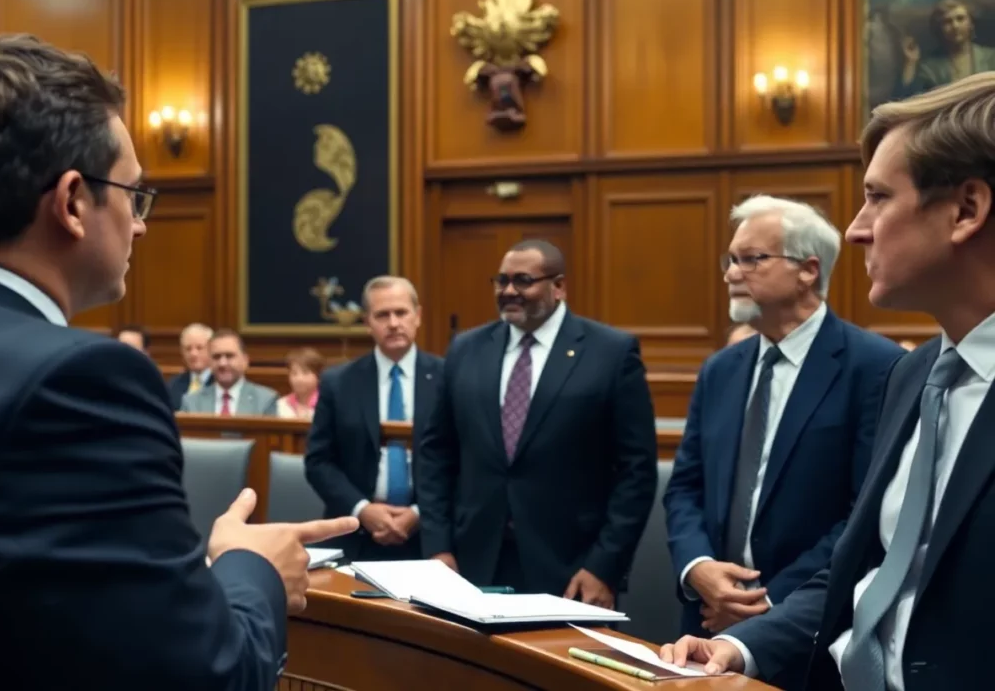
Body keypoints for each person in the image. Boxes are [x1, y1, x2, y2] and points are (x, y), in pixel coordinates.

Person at [0, 33, 357, 689]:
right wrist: (249, 566)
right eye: (133, 194)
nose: (142, 224)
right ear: (72, 202)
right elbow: (198, 675)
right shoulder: (80, 381)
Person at [659, 71, 995, 691]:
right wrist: (739, 647)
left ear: (966, 210)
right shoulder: (918, 375)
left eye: (878, 197)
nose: (856, 228)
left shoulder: (876, 365)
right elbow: (870, 570)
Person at [662, 197, 903, 683]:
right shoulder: (721, 369)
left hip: (810, 631)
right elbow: (685, 488)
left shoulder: (875, 367)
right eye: (730, 259)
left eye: (751, 258)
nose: (732, 272)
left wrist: (765, 603)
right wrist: (700, 569)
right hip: (704, 625)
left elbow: (865, 514)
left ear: (808, 270)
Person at [417, 240, 657, 606]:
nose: (509, 291)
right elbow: (435, 454)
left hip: (571, 569)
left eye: (523, 280)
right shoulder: (466, 349)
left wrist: (604, 567)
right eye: (501, 281)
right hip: (471, 564)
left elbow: (636, 473)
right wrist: (438, 547)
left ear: (558, 286)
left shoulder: (611, 352)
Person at [305, 276, 443, 560]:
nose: (393, 323)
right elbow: (318, 461)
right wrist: (363, 510)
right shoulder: (339, 382)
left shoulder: (446, 378)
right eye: (382, 315)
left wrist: (418, 512)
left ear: (418, 316)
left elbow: (461, 461)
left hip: (429, 537)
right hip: (353, 533)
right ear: (367, 322)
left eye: (401, 312)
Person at [180, 329, 279, 416]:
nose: (222, 363)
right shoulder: (191, 402)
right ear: (210, 362)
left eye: (229, 356)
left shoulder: (265, 400)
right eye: (216, 357)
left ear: (245, 361)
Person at [167, 322, 214, 409]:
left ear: (212, 349)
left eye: (199, 348)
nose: (193, 354)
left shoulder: (220, 383)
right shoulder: (173, 385)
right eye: (188, 348)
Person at [277, 347, 325, 419]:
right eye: (294, 373)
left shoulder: (327, 405)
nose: (299, 379)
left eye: (305, 373)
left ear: (318, 376)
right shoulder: (281, 404)